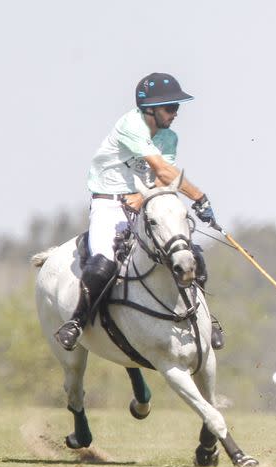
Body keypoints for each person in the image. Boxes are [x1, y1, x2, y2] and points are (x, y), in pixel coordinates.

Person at [55, 72, 223, 352]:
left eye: (177, 107)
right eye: (170, 108)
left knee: (187, 252)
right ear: (150, 109)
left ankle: (205, 318)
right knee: (105, 261)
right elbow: (162, 169)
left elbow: (162, 179)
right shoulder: (131, 124)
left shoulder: (169, 138)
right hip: (108, 202)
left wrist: (140, 195)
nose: (175, 113)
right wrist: (199, 196)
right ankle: (77, 321)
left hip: (143, 201)